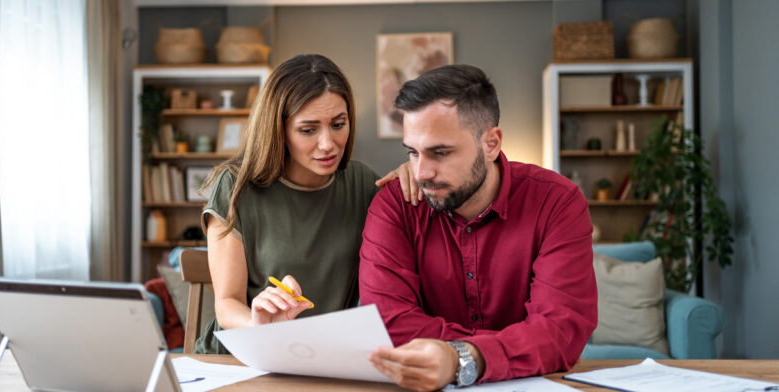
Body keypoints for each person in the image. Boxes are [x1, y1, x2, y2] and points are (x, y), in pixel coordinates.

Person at [360, 64, 598, 390]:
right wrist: (519, 346)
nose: (421, 173)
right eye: (413, 153)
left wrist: (461, 357)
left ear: (491, 143)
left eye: (440, 152)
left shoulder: (557, 203)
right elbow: (387, 324)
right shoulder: (394, 206)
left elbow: (560, 332)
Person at [194, 54, 420, 354]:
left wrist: (415, 172)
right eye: (308, 130)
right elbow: (226, 305)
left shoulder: (364, 186)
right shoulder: (235, 187)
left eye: (338, 124)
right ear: (280, 130)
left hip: (316, 359)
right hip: (237, 359)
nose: (328, 143)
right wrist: (260, 324)